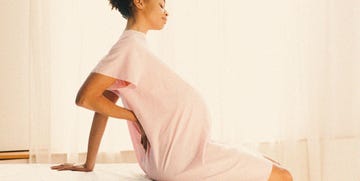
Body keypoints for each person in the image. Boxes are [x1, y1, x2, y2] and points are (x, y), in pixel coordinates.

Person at [51, 0, 293, 180]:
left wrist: (89, 162)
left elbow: (101, 104)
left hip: (182, 151)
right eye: (160, 4)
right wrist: (136, 117)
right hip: (180, 158)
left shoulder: (133, 48)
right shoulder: (128, 48)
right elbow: (86, 98)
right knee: (282, 176)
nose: (166, 11)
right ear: (140, 2)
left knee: (272, 164)